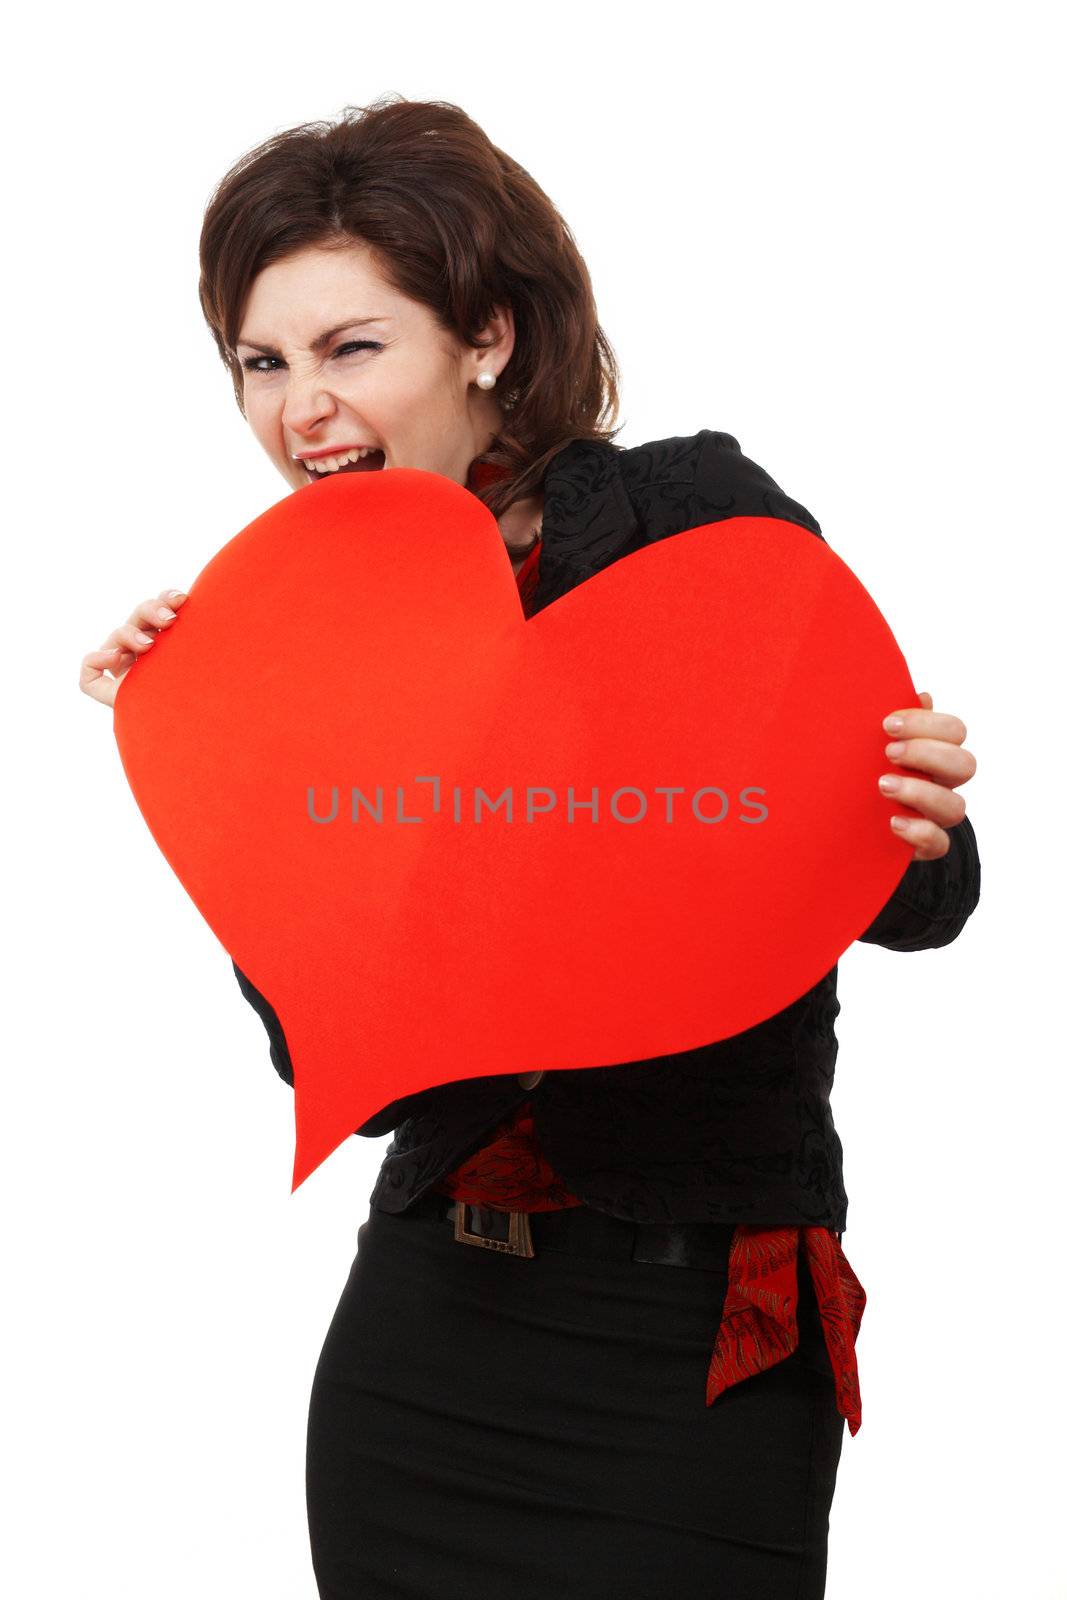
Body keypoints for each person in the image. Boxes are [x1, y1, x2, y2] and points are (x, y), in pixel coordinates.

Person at [78, 96, 981, 1599]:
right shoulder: (307, 645)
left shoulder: (689, 518)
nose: (300, 408)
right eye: (262, 362)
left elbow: (930, 901)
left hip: (695, 1348)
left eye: (352, 348)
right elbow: (344, 1072)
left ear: (487, 335)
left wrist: (913, 812)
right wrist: (214, 747)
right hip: (426, 1333)